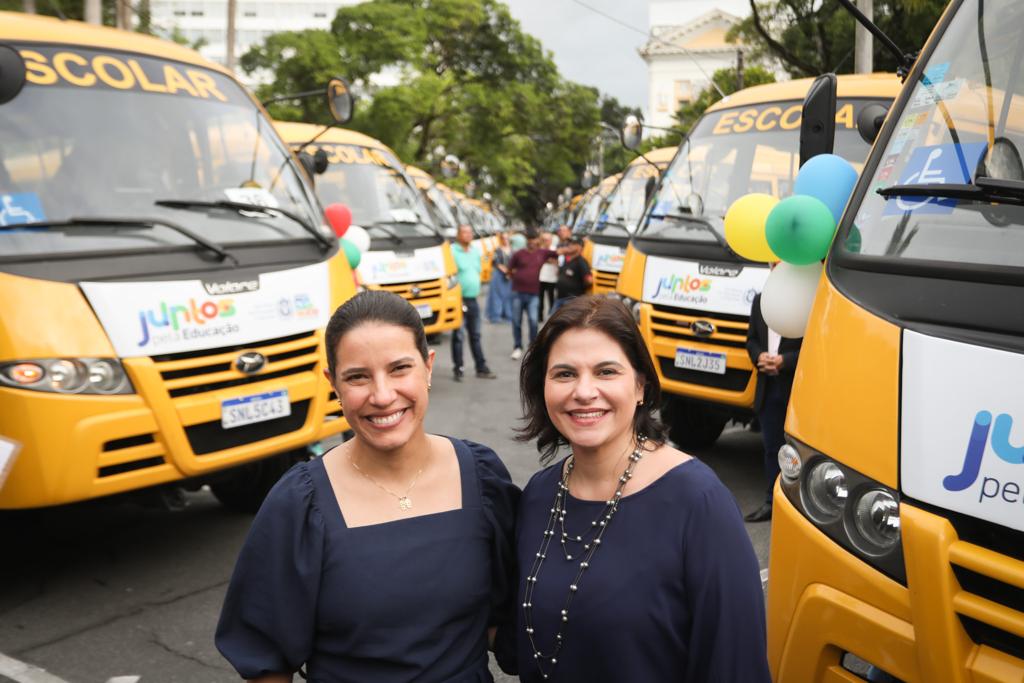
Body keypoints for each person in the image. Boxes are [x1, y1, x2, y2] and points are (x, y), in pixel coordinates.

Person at [216, 290, 519, 682]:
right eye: (358, 376)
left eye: (399, 369)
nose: (382, 395)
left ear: (428, 367)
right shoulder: (299, 504)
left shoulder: (481, 478)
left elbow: (507, 623)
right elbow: (267, 663)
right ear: (334, 384)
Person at [508, 296, 770, 682]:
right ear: (542, 386)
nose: (584, 391)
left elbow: (735, 666)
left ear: (641, 386)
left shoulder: (698, 502)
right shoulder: (539, 494)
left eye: (606, 372)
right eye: (564, 374)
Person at [743, 289, 802, 523]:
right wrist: (759, 357)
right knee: (771, 449)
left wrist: (784, 361)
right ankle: (772, 502)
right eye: (773, 263)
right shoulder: (760, 299)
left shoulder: (805, 300)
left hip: (796, 388)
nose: (777, 265)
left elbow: (817, 342)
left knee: (799, 451)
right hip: (767, 387)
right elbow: (752, 339)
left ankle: (798, 507)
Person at [451, 224, 497, 382]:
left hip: (473, 299)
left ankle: (481, 367)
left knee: (475, 335)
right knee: (458, 335)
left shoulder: (475, 251)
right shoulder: (452, 252)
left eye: (470, 232)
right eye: (465, 232)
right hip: (458, 300)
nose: (468, 235)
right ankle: (458, 368)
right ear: (458, 234)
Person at [508, 230, 557, 360]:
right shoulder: (519, 254)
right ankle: (517, 347)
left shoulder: (542, 253)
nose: (531, 242)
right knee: (516, 321)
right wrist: (516, 277)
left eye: (534, 239)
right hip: (518, 292)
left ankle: (532, 346)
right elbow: (510, 269)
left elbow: (558, 253)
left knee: (533, 320)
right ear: (526, 241)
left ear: (537, 240)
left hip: (533, 294)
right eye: (529, 239)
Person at [551, 235, 592, 314]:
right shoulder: (567, 260)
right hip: (560, 298)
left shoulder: (581, 262)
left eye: (573, 243)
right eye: (569, 243)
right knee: (552, 324)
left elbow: (589, 280)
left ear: (580, 247)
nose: (569, 245)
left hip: (571, 300)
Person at [486, 230, 514, 323]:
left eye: (507, 238)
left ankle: (508, 315)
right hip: (499, 274)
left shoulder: (513, 250)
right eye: (503, 238)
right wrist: (505, 270)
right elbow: (495, 262)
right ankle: (495, 315)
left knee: (509, 295)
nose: (505, 240)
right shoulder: (497, 250)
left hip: (510, 276)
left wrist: (510, 272)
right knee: (496, 295)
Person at [537, 232, 559, 321]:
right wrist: (549, 260)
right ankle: (540, 316)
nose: (546, 242)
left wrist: (547, 260)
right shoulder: (540, 250)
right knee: (540, 299)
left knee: (551, 298)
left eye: (547, 240)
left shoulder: (555, 249)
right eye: (544, 240)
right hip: (541, 277)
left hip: (552, 278)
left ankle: (552, 316)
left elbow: (557, 262)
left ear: (551, 240)